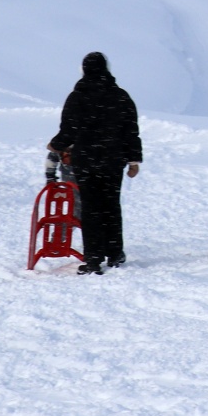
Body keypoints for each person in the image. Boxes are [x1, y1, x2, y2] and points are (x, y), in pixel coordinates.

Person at [48, 52, 142, 274]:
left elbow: (68, 131)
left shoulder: (77, 97)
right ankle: (115, 253)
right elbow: (131, 131)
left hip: (86, 161)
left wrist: (55, 145)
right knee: (111, 205)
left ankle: (93, 258)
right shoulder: (120, 97)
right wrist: (133, 160)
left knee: (91, 208)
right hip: (112, 160)